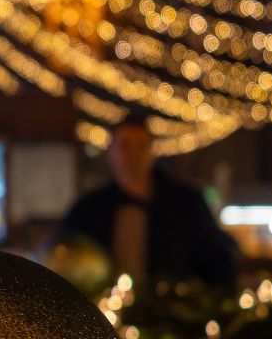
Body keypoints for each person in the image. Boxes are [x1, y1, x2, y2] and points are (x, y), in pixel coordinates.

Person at [57, 112, 237, 289]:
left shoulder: (186, 205)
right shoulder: (88, 210)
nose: (133, 154)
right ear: (110, 153)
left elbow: (218, 262)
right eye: (125, 146)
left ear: (152, 152)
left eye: (141, 145)